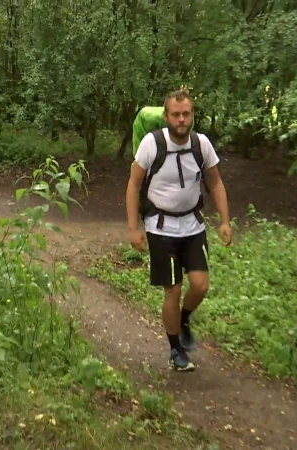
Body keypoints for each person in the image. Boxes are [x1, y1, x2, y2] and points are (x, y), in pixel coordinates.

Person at [125, 89, 232, 371]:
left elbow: (216, 182)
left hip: (193, 224)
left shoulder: (201, 144)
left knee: (200, 284)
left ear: (192, 115)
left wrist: (224, 220)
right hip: (161, 228)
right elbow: (134, 185)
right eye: (176, 114)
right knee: (172, 290)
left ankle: (184, 319)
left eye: (186, 114)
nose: (181, 120)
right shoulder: (152, 143)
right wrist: (133, 228)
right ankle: (175, 349)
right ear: (166, 117)